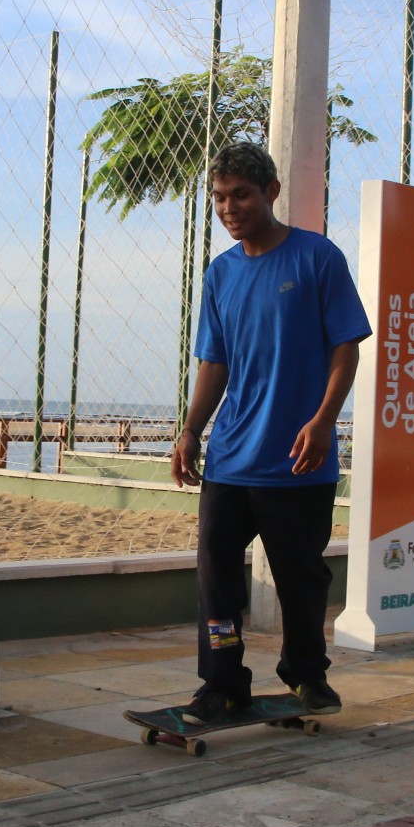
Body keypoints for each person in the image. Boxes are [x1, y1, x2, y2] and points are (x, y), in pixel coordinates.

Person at [169, 143, 371, 726]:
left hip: (299, 460)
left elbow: (346, 347)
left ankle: (307, 674)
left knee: (300, 579)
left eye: (241, 195)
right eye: (219, 197)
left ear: (271, 193)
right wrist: (190, 431)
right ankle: (222, 682)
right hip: (231, 459)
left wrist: (324, 420)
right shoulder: (221, 273)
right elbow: (214, 362)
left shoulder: (317, 258)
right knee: (216, 583)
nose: (229, 208)